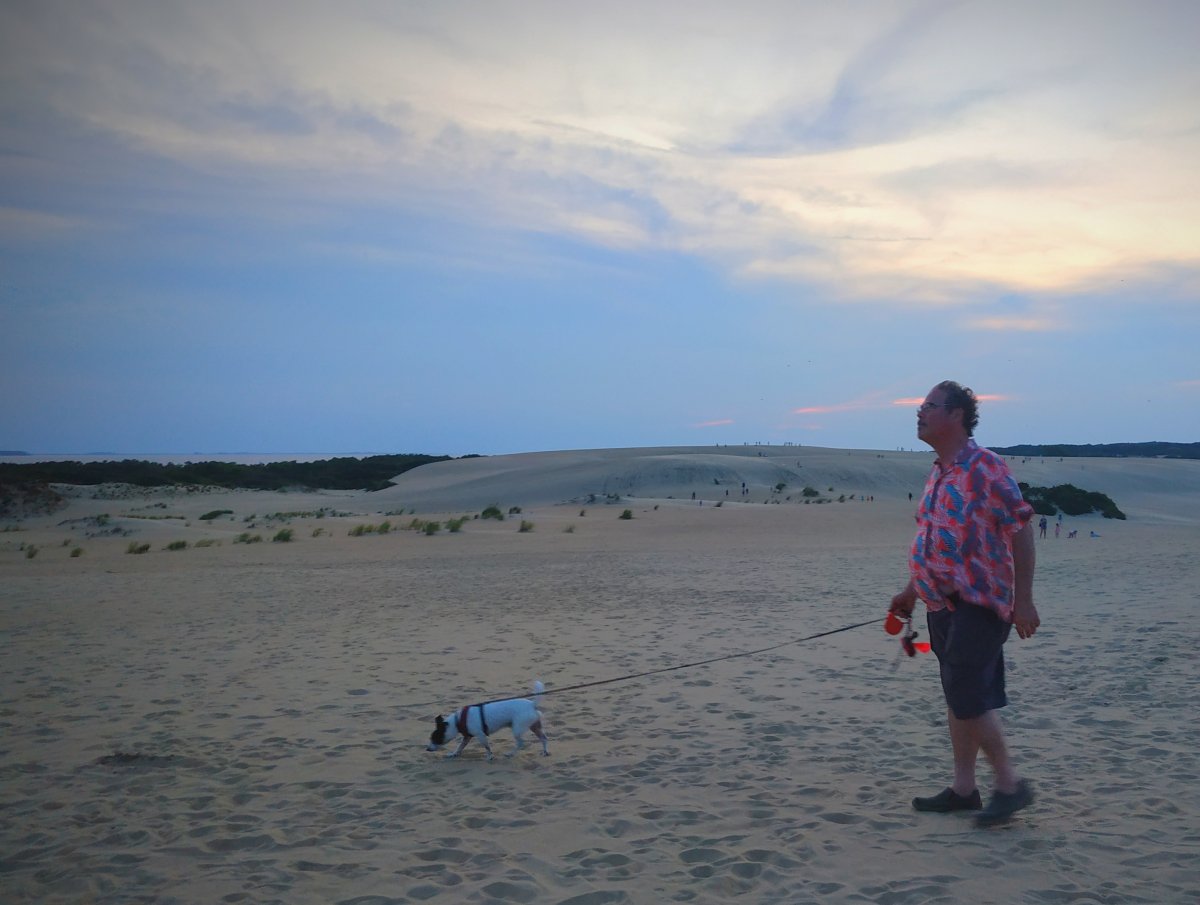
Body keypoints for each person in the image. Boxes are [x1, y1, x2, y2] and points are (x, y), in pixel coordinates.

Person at [890, 381, 1040, 827]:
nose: (919, 413)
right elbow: (935, 540)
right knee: (958, 695)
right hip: (940, 603)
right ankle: (963, 789)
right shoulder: (939, 472)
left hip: (980, 601)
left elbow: (1021, 528)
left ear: (956, 415)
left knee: (967, 693)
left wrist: (1024, 601)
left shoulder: (985, 467)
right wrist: (910, 591)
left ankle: (1009, 785)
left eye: (929, 406)